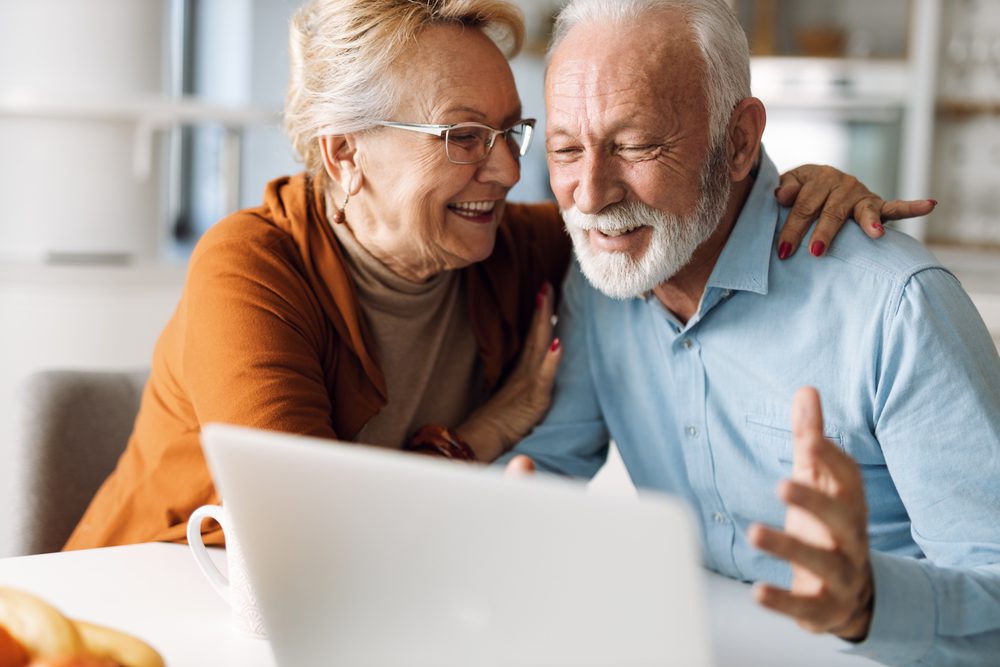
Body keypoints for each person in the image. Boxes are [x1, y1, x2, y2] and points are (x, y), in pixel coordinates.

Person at [66, 0, 923, 551]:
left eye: (516, 131)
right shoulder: (251, 268)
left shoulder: (515, 248)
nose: (510, 170)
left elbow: (671, 212)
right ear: (345, 154)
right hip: (147, 616)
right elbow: (311, 539)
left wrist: (795, 190)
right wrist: (487, 429)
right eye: (463, 136)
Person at [504, 0, 1000, 665]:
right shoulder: (605, 282)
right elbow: (543, 472)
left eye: (635, 143)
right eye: (566, 149)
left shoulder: (896, 306)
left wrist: (868, 603)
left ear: (738, 141)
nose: (590, 194)